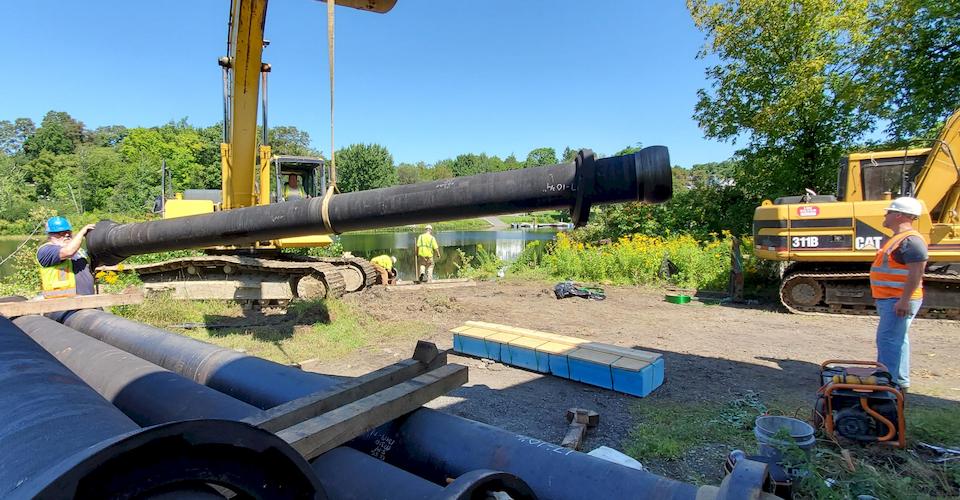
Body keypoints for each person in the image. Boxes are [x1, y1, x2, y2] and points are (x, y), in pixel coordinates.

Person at [870, 196, 928, 391]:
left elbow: (917, 272)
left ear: (899, 215)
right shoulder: (899, 239)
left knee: (888, 339)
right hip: (892, 298)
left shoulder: (911, 240)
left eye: (889, 212)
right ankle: (899, 381)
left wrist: (903, 300)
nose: (885, 215)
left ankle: (887, 384)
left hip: (898, 299)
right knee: (898, 338)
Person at [36, 216, 97, 321]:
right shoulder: (46, 250)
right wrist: (82, 232)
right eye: (61, 233)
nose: (67, 235)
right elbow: (68, 252)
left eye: (68, 232)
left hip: (87, 301)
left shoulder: (79, 252)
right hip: (62, 307)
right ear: (50, 236)